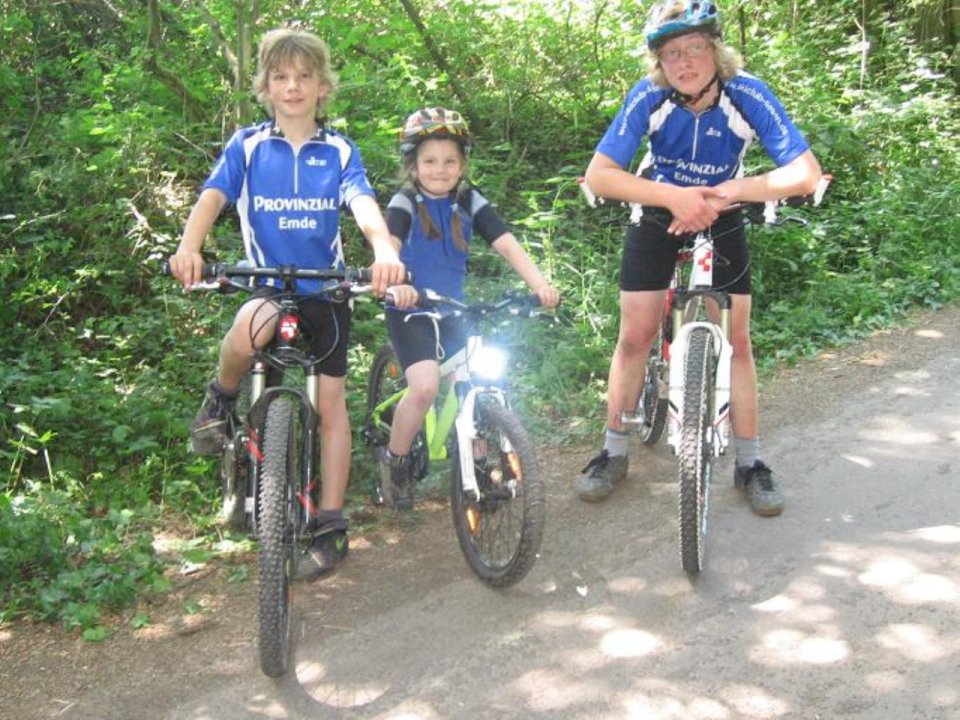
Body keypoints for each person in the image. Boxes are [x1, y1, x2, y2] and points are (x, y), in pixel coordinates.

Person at [168, 28, 405, 577]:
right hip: (269, 285)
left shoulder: (339, 149)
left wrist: (385, 250)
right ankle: (221, 398)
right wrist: (188, 248)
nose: (292, 86)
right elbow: (213, 195)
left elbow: (363, 204)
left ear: (323, 86)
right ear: (266, 87)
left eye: (303, 76)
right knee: (249, 326)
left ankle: (331, 522)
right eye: (281, 77)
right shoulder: (248, 144)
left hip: (326, 290)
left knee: (331, 407)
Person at [576, 0, 822, 515]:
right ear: (659, 62)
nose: (684, 62)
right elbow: (600, 174)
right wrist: (674, 197)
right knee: (635, 335)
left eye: (695, 48)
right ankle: (613, 450)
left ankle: (751, 463)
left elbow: (805, 172)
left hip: (723, 210)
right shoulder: (649, 95)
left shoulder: (746, 92)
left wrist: (728, 191)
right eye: (671, 53)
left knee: (737, 341)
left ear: (715, 50)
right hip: (657, 208)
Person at [378, 107, 561, 509]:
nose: (440, 169)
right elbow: (389, 246)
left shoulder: (468, 200)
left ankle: (480, 467)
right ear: (413, 165)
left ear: (462, 165)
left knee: (480, 381)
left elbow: (507, 244)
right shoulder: (404, 202)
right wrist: (396, 284)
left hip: (454, 310)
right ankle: (396, 462)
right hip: (411, 309)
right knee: (425, 386)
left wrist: (540, 285)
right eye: (429, 161)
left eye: (450, 161)